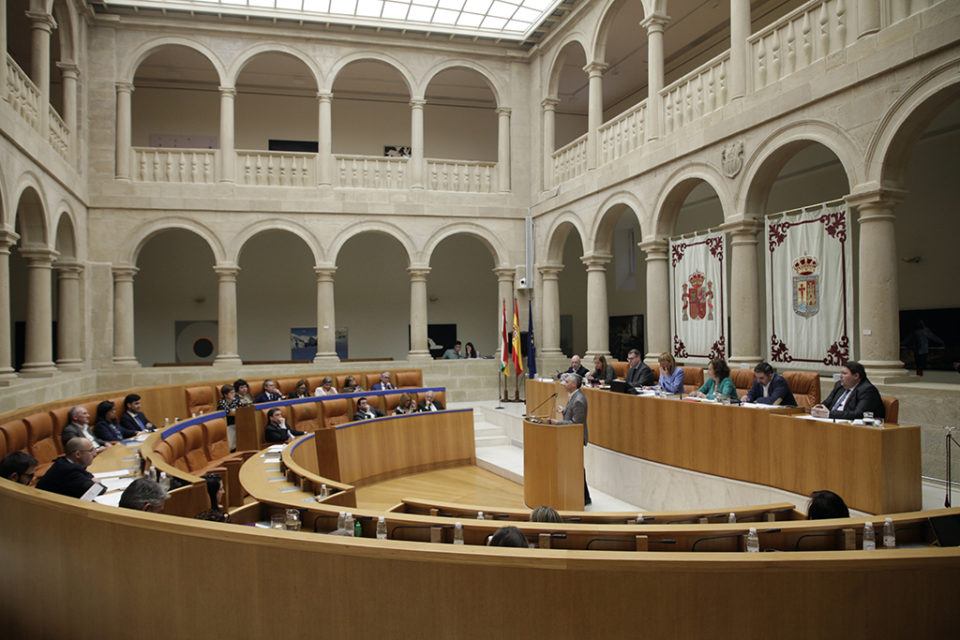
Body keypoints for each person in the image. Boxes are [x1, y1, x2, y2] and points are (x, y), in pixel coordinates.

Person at [550, 373, 591, 505]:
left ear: (574, 384)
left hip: (575, 438)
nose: (564, 384)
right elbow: (573, 415)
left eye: (566, 382)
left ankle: (584, 497)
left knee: (577, 467)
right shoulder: (574, 396)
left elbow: (576, 424)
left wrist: (557, 423)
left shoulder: (579, 399)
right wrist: (564, 411)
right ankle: (581, 496)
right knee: (575, 467)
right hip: (569, 437)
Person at [811, 361, 885, 421]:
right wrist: (818, 408)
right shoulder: (839, 385)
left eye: (844, 373)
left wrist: (829, 414)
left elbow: (858, 414)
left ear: (856, 376)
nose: (840, 376)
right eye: (841, 373)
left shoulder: (867, 390)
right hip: (832, 422)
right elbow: (826, 403)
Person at [35, 438, 104, 499]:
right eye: (91, 450)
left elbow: (83, 472)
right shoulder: (68, 470)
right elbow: (98, 490)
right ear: (77, 454)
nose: (95, 453)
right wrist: (95, 482)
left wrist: (91, 478)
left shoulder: (64, 461)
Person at [217, 384, 242, 451]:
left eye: (234, 392)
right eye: (231, 393)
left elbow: (242, 409)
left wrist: (235, 410)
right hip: (227, 424)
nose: (234, 394)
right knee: (231, 445)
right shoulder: (222, 402)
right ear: (225, 395)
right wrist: (235, 410)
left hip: (237, 422)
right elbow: (229, 413)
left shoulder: (235, 400)